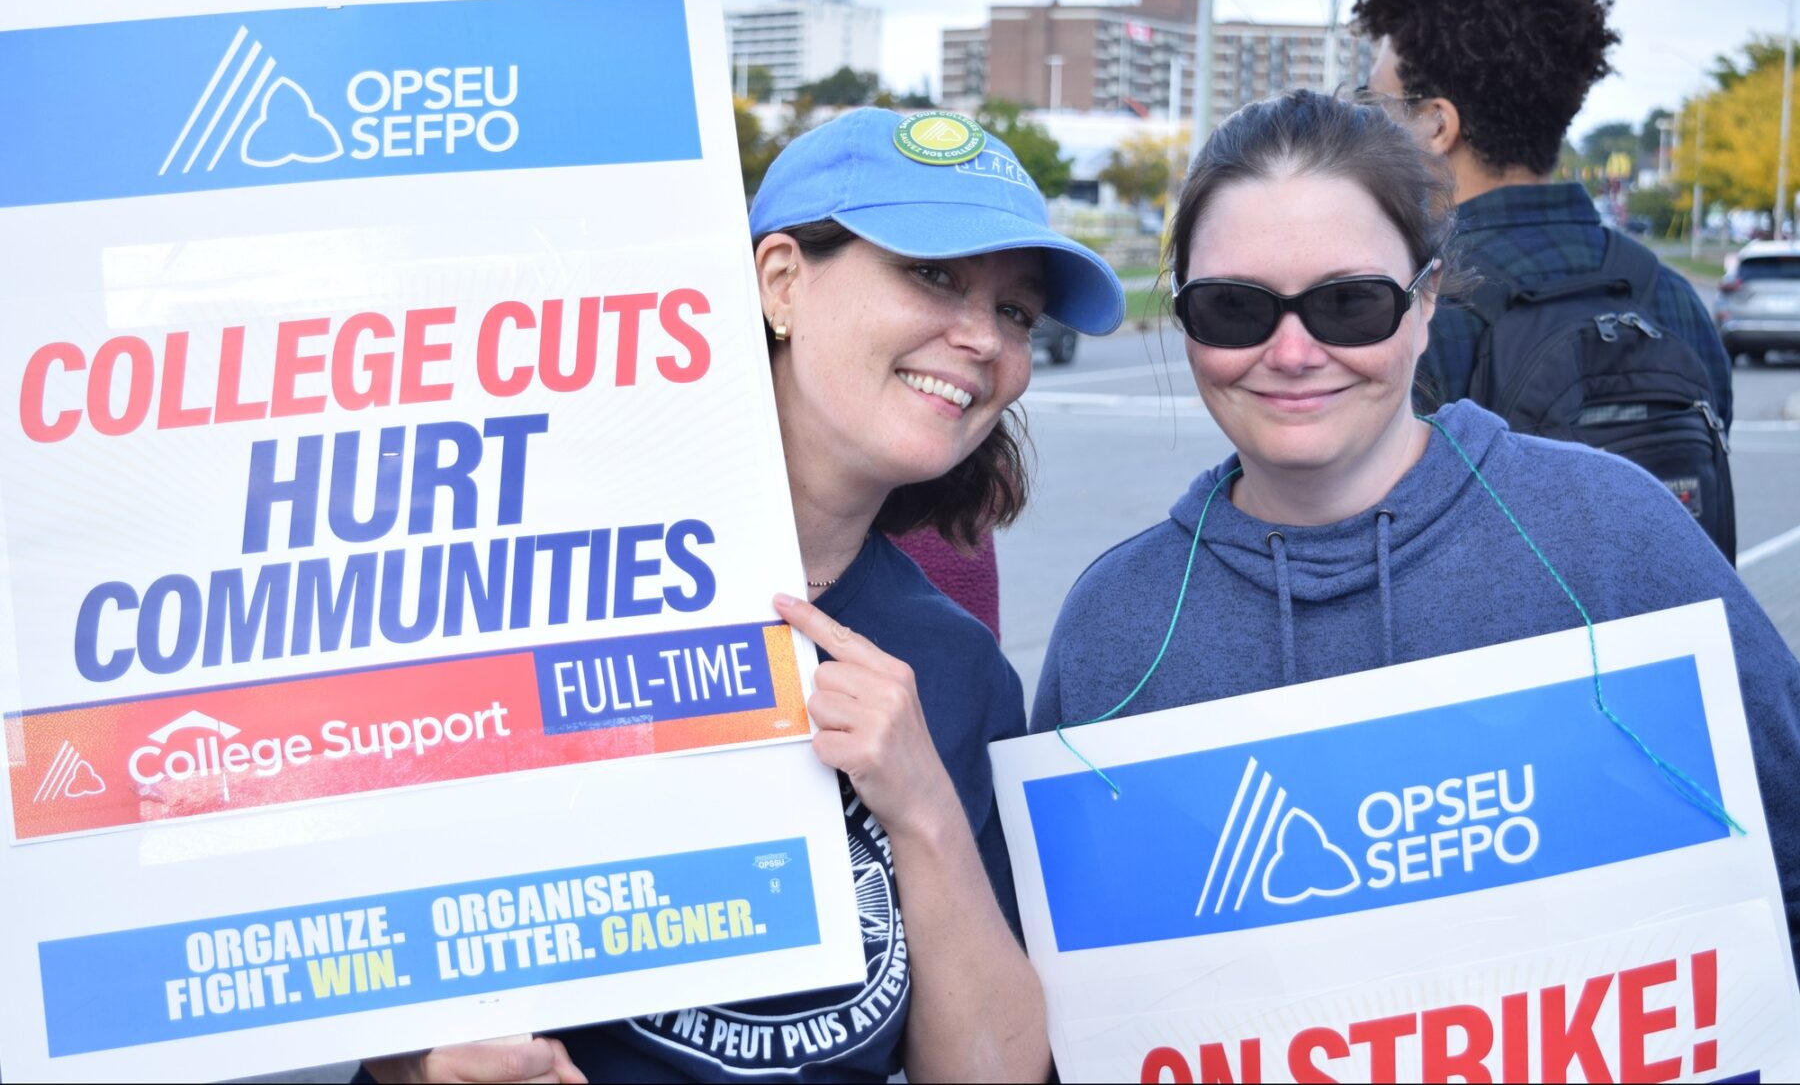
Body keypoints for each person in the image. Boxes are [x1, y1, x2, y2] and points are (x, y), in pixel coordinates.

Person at [365, 107, 1123, 1083]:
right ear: (780, 282)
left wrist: (922, 803)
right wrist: (419, 1060)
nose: (982, 338)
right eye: (933, 274)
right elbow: (321, 935)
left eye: (1016, 312)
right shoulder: (517, 583)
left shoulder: (952, 669)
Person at [1031, 91, 1800, 965]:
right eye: (1235, 309)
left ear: (1427, 300)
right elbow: (1081, 983)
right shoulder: (1115, 627)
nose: (1291, 353)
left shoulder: (1612, 535)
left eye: (1349, 304)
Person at [1350, 0, 1738, 556]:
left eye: (1375, 105)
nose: (1367, 126)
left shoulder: (1416, 310)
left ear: (1436, 126)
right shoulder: (1670, 297)